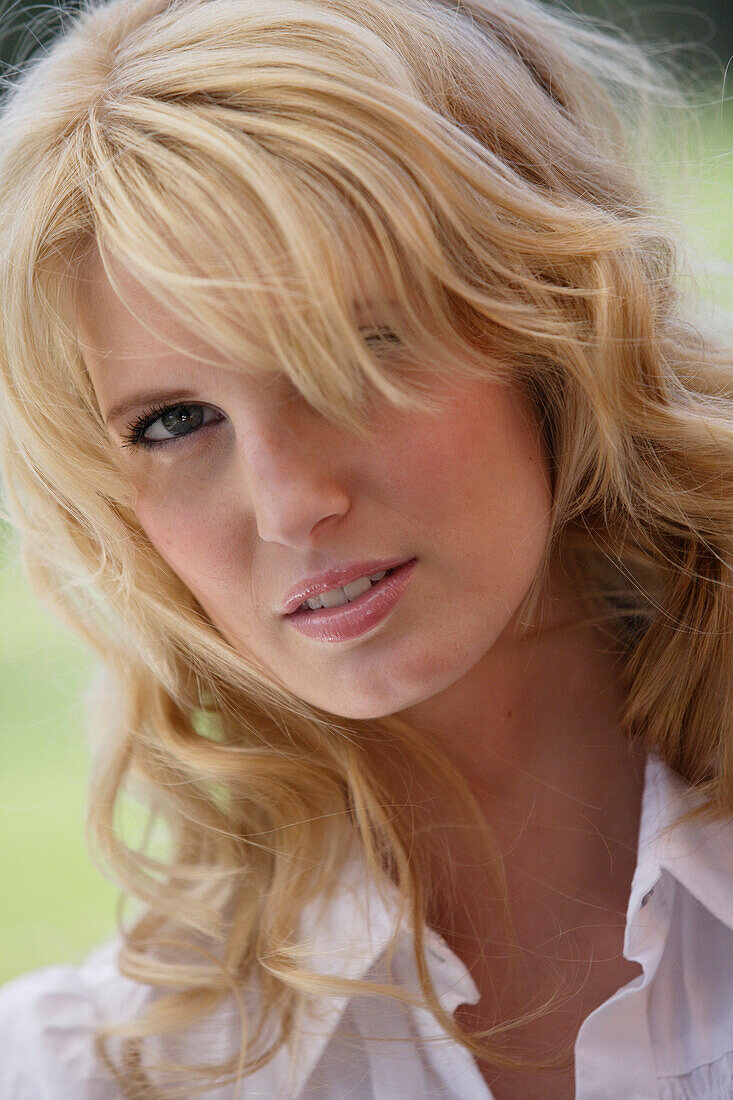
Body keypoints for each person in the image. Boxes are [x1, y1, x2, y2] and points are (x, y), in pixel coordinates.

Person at [0, 0, 731, 1095]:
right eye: (173, 421)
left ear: (553, 324)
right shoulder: (93, 1070)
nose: (290, 501)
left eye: (349, 352)